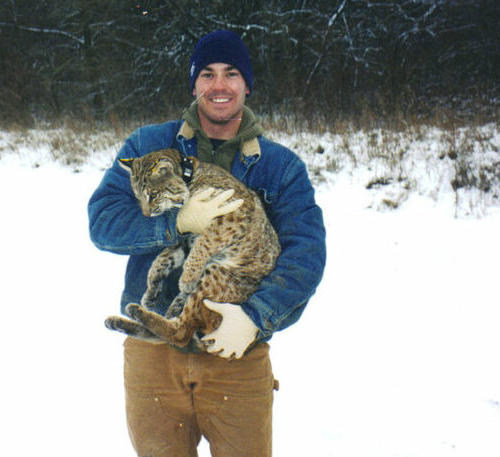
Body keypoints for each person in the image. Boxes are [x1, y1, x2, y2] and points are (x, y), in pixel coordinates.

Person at [88, 30, 326, 457]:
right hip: (153, 355)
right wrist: (175, 223)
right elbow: (103, 222)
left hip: (235, 352)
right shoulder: (147, 146)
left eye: (231, 74)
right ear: (194, 83)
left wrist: (256, 317)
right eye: (208, 74)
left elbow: (306, 254)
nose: (219, 86)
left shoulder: (280, 167)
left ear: (247, 84)